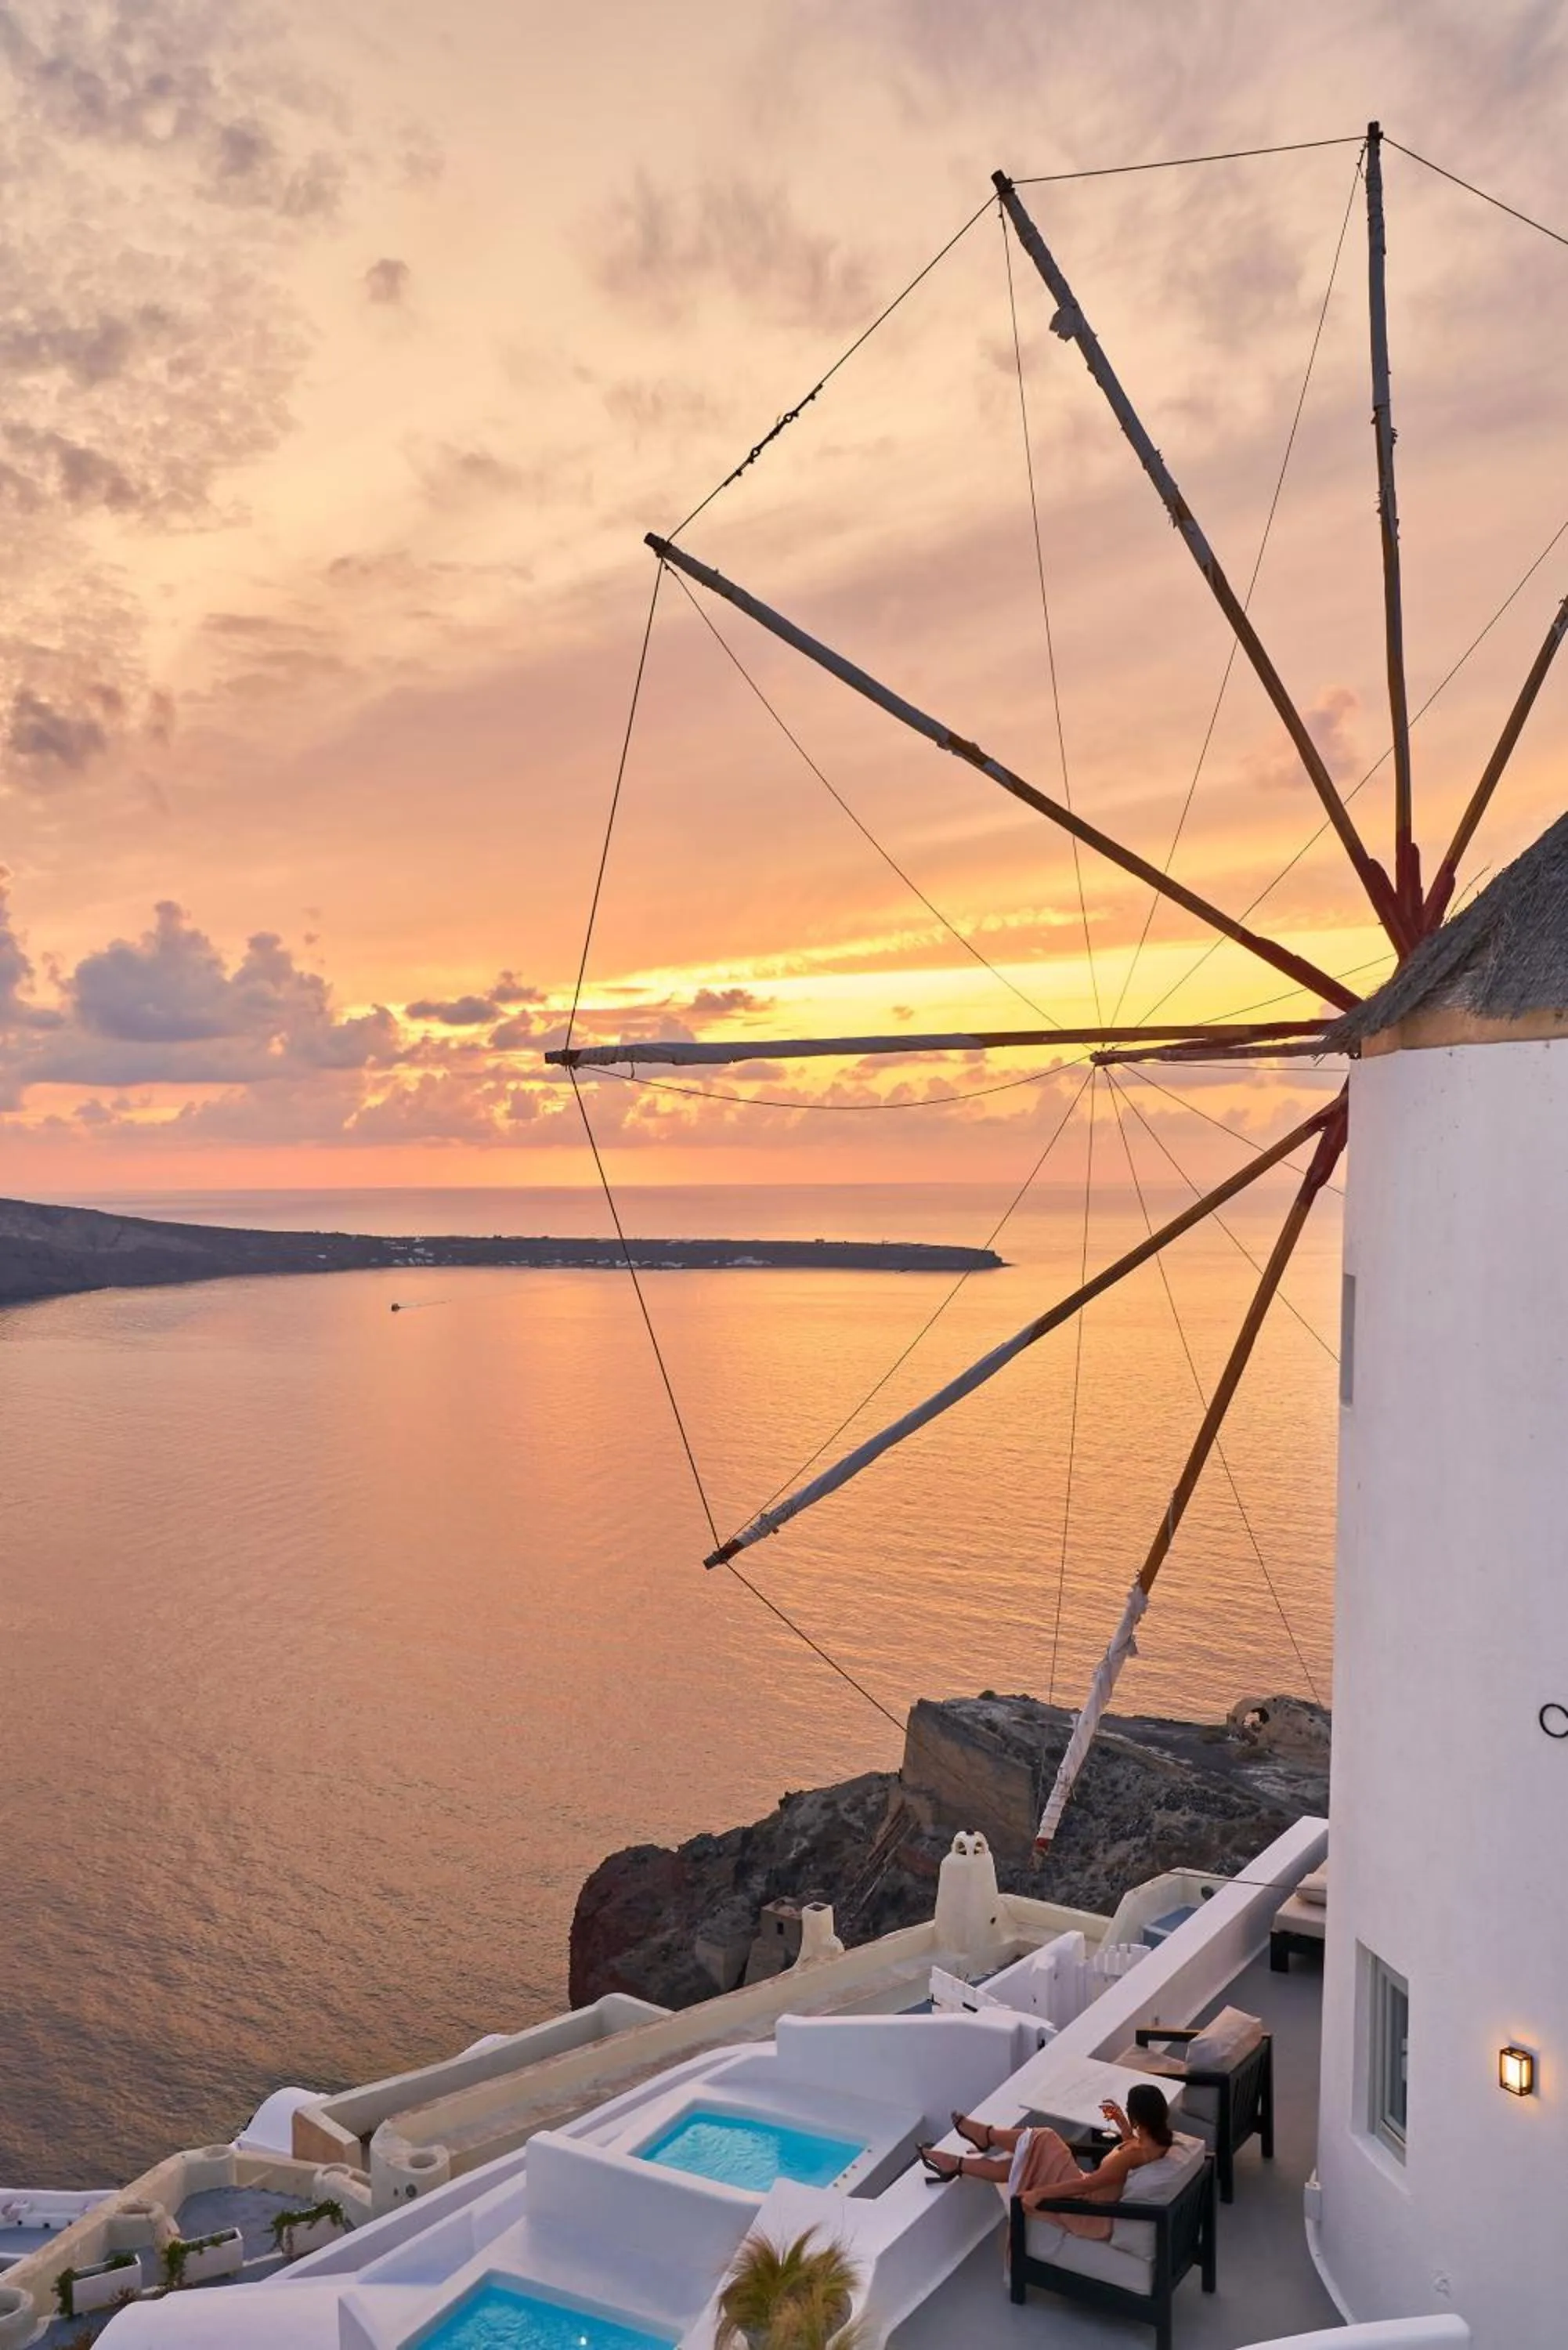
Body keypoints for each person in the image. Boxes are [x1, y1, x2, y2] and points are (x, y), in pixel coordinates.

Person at [917, 2084, 1174, 2240]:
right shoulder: (1157, 2143)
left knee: (1045, 2138)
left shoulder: (1135, 2154)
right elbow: (1130, 2156)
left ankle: (986, 2136)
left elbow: (1088, 2185)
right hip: (1090, 2195)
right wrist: (1122, 2125)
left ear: (1139, 2115)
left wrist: (1040, 2193)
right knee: (1021, 2162)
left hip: (1088, 2213)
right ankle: (957, 2162)